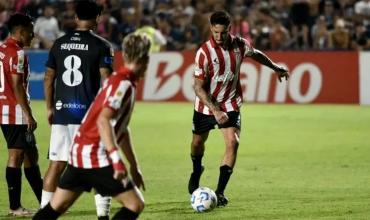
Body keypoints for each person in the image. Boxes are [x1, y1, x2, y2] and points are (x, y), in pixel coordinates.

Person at [33, 33, 150, 220]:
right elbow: (104, 121)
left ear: (125, 56)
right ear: (146, 59)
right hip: (95, 156)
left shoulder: (118, 80)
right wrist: (117, 161)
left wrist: (134, 166)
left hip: (79, 153)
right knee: (135, 204)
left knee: (57, 207)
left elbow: (121, 128)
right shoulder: (123, 84)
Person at [188, 11, 289, 206]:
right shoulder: (204, 53)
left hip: (231, 103)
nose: (219, 37)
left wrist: (276, 67)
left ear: (229, 30)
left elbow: (256, 54)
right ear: (211, 29)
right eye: (215, 32)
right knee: (197, 144)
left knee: (232, 143)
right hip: (207, 106)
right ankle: (196, 169)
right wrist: (216, 111)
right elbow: (198, 88)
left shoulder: (239, 45)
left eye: (223, 33)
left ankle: (220, 192)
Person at [41, 1, 114, 219]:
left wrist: (49, 108)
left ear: (75, 18)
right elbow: (107, 80)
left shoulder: (59, 43)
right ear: (98, 18)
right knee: (101, 164)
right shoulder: (102, 45)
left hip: (62, 113)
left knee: (56, 164)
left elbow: (48, 78)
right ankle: (103, 215)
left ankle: (45, 212)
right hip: (87, 116)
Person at [0, 13, 43, 216]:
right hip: (15, 112)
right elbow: (17, 85)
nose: (33, 35)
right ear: (21, 30)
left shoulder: (1, 49)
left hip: (4, 110)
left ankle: (46, 203)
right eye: (31, 30)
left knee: (31, 155)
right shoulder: (17, 53)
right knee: (16, 155)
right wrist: (28, 114)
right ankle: (15, 207)